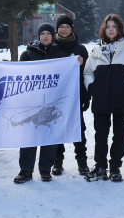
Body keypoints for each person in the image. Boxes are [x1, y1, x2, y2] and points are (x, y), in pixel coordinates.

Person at [83, 14, 124, 182]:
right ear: (104, 29)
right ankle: (100, 167)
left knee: (119, 134)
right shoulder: (96, 50)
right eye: (108, 26)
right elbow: (88, 72)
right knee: (100, 134)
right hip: (101, 99)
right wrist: (92, 86)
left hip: (122, 99)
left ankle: (116, 167)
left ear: (119, 29)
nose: (111, 29)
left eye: (114, 27)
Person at [13, 23, 63, 184]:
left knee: (49, 135)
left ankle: (45, 169)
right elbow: (21, 77)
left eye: (49, 33)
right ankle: (26, 170)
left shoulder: (59, 54)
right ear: (38, 36)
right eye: (43, 33)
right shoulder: (28, 54)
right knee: (29, 136)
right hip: (32, 101)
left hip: (53, 101)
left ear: (53, 35)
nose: (46, 36)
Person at [52, 15, 90, 176]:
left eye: (67, 27)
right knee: (57, 129)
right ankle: (57, 161)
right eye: (61, 27)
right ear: (57, 29)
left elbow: (87, 74)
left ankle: (82, 161)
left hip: (75, 97)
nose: (64, 29)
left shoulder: (80, 49)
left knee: (78, 129)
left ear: (72, 29)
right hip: (56, 97)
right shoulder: (52, 47)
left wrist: (86, 96)